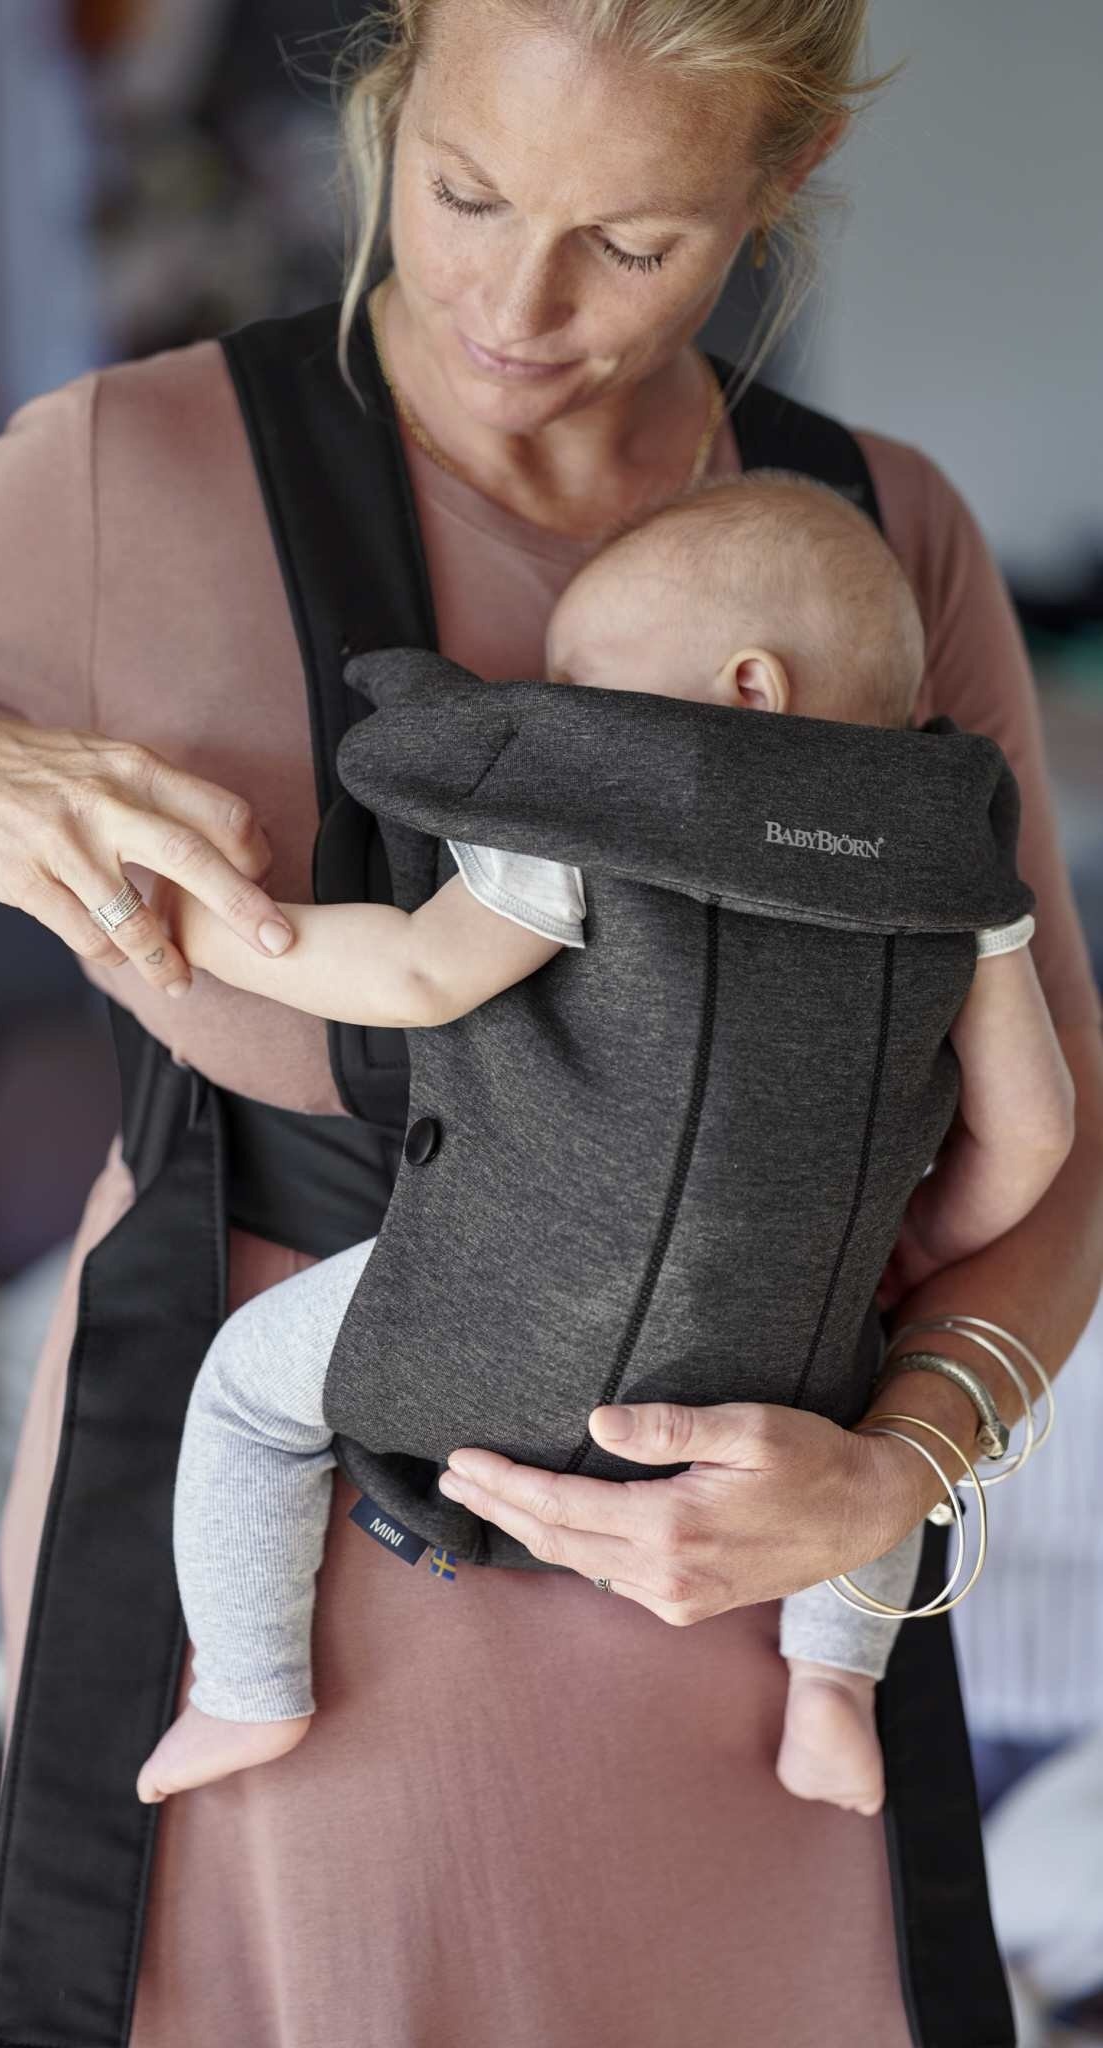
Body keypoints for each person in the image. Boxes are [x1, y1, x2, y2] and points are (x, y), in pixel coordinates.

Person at [0, 1, 1099, 2039]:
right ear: (386, 94)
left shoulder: (879, 535)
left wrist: (890, 1471)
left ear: (779, 178)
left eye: (629, 242)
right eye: (461, 193)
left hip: (751, 1611)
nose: (516, 309)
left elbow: (1052, 1142)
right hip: (288, 1619)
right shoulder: (116, 476)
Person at [133, 468, 1073, 1822]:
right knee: (862, 1449)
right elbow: (1034, 1129)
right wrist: (916, 1243)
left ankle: (246, 1685)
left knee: (245, 1392)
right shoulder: (954, 870)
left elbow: (412, 975)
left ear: (746, 688)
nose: (562, 707)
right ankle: (830, 1690)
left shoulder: (602, 809)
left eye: (582, 683)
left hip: (503, 1314)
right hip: (788, 1358)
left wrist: (200, 925)